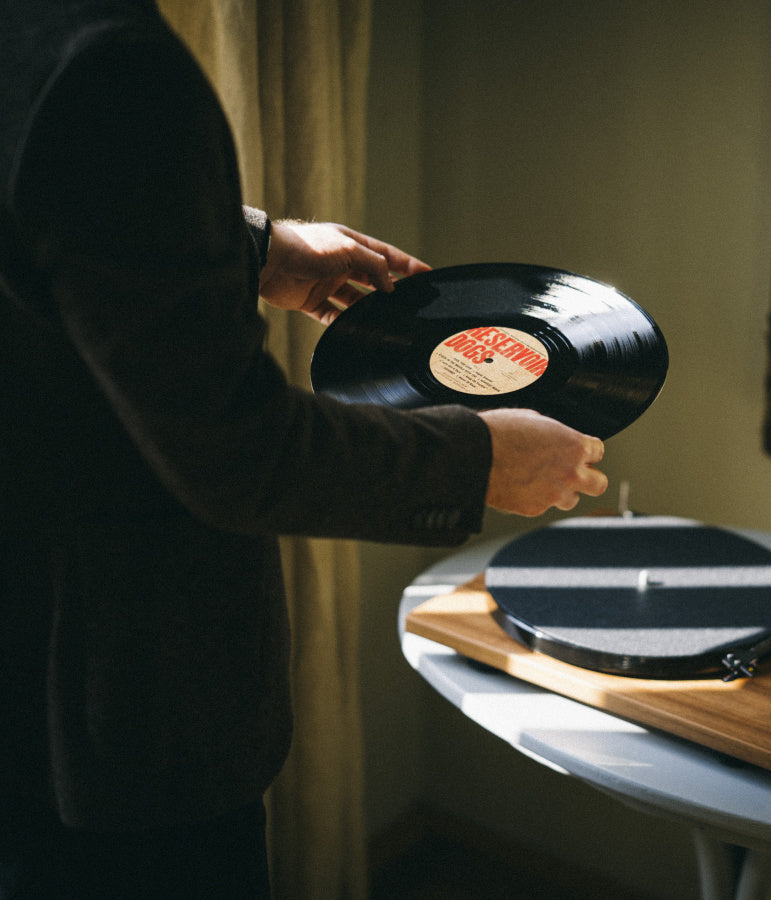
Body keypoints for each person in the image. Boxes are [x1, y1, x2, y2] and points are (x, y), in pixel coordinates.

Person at [0, 0, 606, 896]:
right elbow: (237, 449)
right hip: (113, 713)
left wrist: (248, 246)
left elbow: (59, 213)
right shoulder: (114, 69)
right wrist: (477, 458)